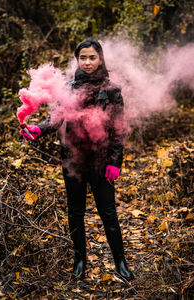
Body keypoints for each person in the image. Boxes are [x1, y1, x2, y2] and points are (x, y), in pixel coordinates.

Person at [20, 38, 134, 283]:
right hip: (74, 159)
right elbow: (56, 119)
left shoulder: (112, 90)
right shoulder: (69, 88)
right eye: (83, 57)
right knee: (75, 212)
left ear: (100, 58)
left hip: (102, 159)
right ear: (77, 59)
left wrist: (116, 161)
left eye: (92, 57)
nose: (87, 62)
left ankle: (120, 262)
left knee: (108, 213)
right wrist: (38, 129)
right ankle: (79, 262)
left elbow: (119, 129)